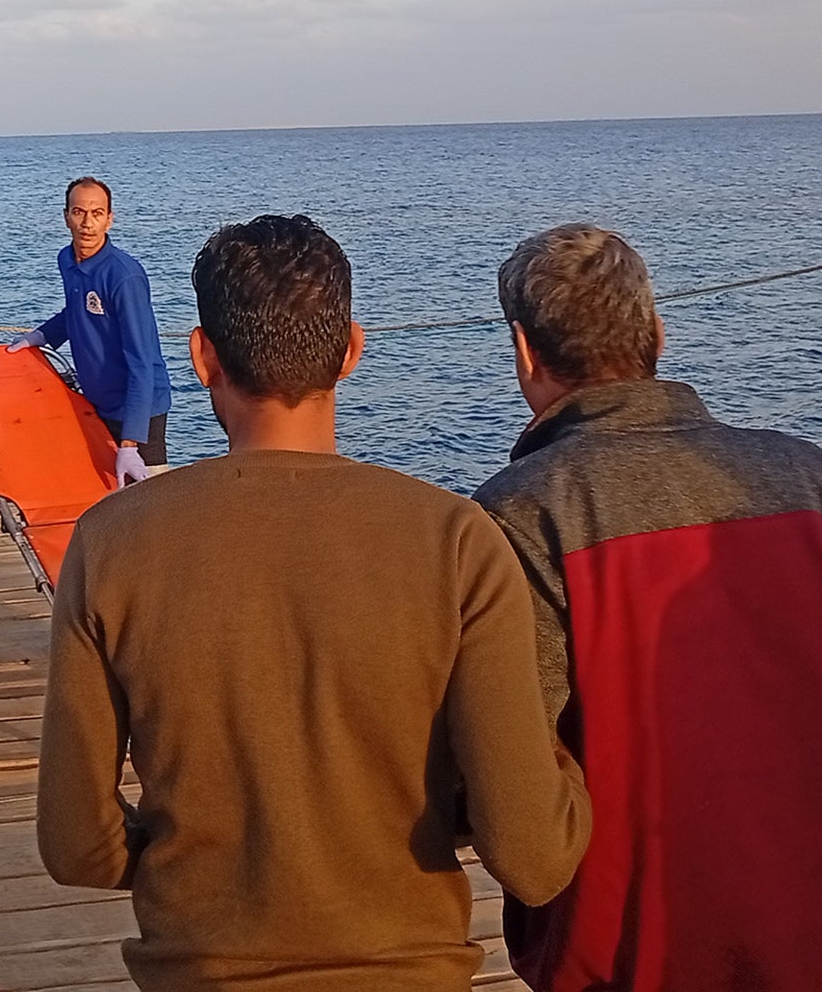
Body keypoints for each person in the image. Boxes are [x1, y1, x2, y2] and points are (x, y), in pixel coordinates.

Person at [38, 214, 590, 991]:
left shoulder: (111, 543)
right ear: (352, 350)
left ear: (202, 358)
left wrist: (185, 860)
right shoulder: (456, 540)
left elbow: (75, 842)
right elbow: (533, 853)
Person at [471, 225, 822, 992]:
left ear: (525, 354)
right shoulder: (808, 476)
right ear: (657, 333)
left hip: (633, 951)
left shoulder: (519, 516)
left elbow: (511, 776)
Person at [8, 178, 172, 483]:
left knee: (153, 502)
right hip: (98, 400)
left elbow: (142, 361)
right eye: (79, 212)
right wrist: (40, 336)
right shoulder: (66, 260)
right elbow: (77, 310)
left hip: (140, 407)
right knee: (104, 497)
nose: (87, 223)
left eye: (97, 213)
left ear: (110, 219)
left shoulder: (124, 276)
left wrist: (129, 443)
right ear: (66, 216)